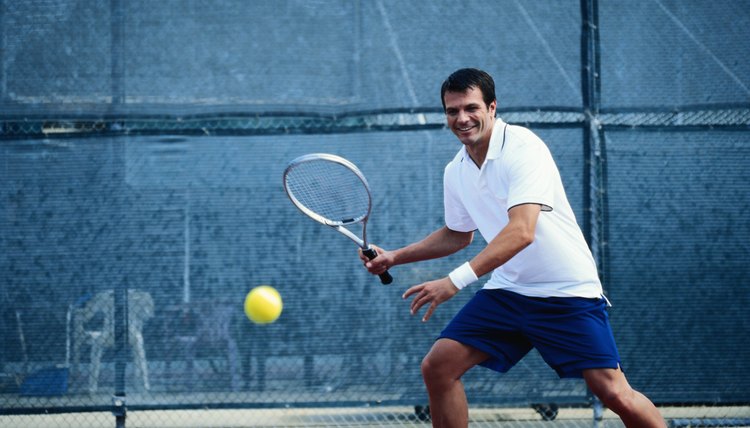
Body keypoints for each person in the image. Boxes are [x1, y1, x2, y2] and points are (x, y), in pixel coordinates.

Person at [360, 68, 665, 428]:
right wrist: (396, 256)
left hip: (565, 290)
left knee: (613, 392)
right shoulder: (456, 170)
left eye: (471, 108)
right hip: (510, 290)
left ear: (492, 107)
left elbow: (522, 232)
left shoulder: (524, 148)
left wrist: (453, 282)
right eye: (452, 111)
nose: (462, 118)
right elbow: (458, 235)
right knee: (439, 366)